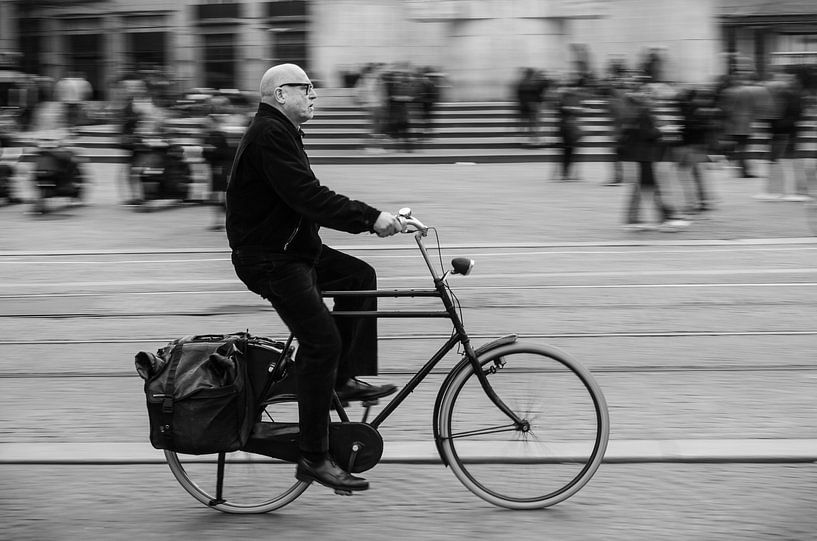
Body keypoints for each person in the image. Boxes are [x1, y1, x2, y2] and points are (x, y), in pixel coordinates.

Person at [226, 63, 403, 493]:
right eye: (305, 88)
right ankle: (313, 455)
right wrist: (371, 217)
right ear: (279, 94)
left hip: (295, 250)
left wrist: (373, 219)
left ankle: (342, 378)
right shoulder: (269, 134)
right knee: (322, 342)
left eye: (312, 88)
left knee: (360, 276)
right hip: (271, 259)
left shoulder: (282, 132)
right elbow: (308, 196)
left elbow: (302, 199)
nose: (313, 94)